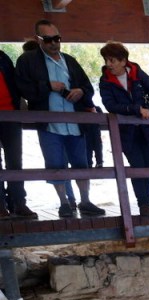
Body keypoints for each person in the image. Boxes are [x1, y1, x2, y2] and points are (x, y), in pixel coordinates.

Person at [15, 20, 106, 218]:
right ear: (38, 40)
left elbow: (87, 87)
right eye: (48, 40)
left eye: (57, 38)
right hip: (49, 124)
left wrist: (80, 91)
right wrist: (48, 86)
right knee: (55, 163)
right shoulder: (27, 61)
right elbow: (23, 88)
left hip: (75, 123)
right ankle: (64, 202)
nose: (54, 43)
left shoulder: (70, 61)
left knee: (82, 162)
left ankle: (85, 200)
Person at [98, 42, 149, 218]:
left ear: (123, 61)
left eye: (112, 60)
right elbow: (110, 105)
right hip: (126, 132)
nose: (109, 64)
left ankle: (145, 202)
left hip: (147, 130)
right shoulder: (105, 80)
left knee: (148, 166)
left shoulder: (137, 72)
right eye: (107, 60)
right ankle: (143, 203)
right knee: (137, 166)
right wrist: (135, 109)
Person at [0, 51, 36, 219]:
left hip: (10, 114)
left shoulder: (3, 57)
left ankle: (18, 203)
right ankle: (1, 206)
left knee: (15, 161)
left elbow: (15, 82)